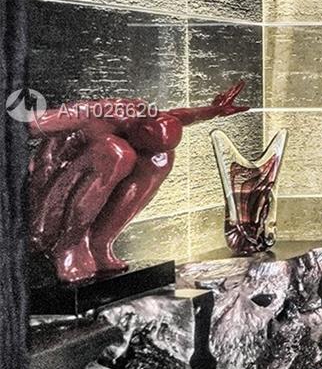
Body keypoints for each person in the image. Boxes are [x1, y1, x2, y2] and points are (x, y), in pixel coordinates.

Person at [28, 81, 251, 283]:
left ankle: (99, 241)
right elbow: (33, 123)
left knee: (159, 159)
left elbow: (178, 116)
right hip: (53, 194)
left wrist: (214, 111)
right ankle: (68, 245)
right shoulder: (99, 113)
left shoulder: (144, 113)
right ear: (139, 129)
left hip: (92, 176)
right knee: (116, 153)